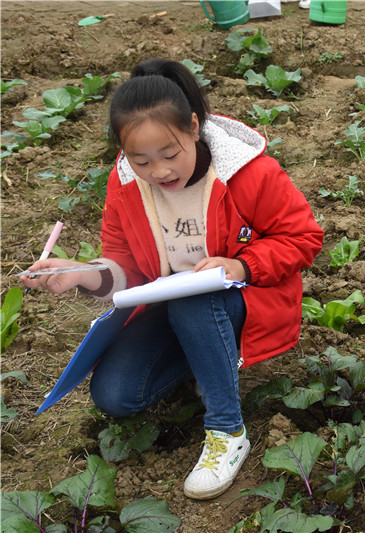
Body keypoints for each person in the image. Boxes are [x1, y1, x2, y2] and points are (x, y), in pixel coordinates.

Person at [21, 58, 324, 499]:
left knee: (193, 299)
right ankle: (205, 360)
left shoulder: (248, 173)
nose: (159, 172)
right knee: (117, 397)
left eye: (169, 154)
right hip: (171, 307)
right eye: (140, 160)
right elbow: (127, 270)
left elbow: (303, 238)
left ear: (195, 127)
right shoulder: (124, 185)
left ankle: (226, 431)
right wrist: (82, 276)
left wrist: (239, 266)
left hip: (244, 302)